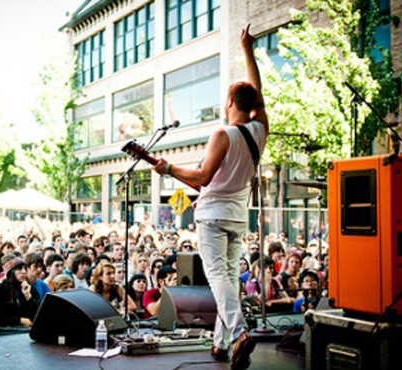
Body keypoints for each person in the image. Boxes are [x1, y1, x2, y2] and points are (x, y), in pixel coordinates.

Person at [151, 24, 267, 369]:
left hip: (213, 214)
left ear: (229, 102)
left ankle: (240, 332)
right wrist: (248, 51)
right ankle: (220, 344)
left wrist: (169, 169)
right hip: (237, 215)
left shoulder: (223, 134)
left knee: (217, 277)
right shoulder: (260, 130)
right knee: (229, 278)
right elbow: (258, 93)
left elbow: (202, 178)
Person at [0, 258, 41, 327]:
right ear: (11, 272)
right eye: (19, 268)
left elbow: (38, 313)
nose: (23, 271)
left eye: (25, 269)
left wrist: (28, 297)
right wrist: (19, 320)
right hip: (6, 332)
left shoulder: (30, 289)